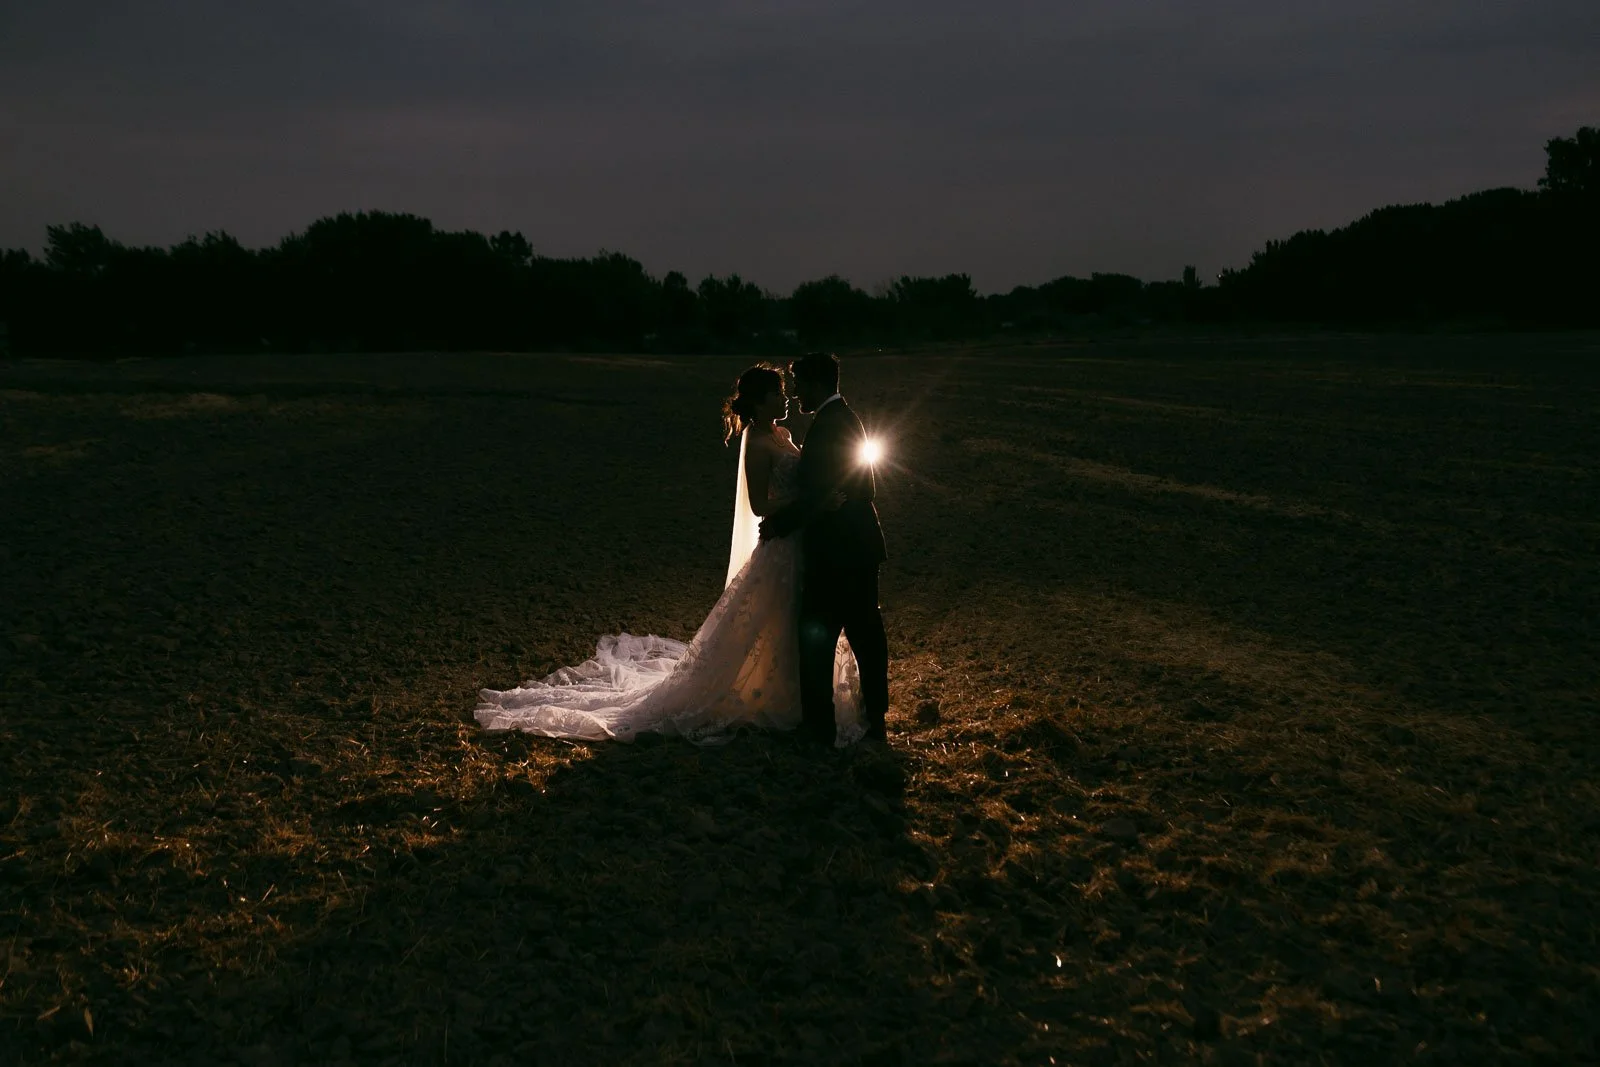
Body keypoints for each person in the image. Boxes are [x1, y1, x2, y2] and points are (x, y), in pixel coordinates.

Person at [474, 363, 865, 745]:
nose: (787, 397)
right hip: (780, 545)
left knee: (792, 619)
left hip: (798, 539)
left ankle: (799, 697)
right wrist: (810, 501)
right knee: (777, 619)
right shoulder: (757, 442)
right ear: (761, 401)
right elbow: (760, 504)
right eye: (778, 393)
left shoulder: (782, 434)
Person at [760, 352, 890, 746]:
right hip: (853, 547)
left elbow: (849, 488)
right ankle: (870, 723)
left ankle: (822, 728)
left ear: (817, 383)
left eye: (800, 384)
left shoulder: (834, 423)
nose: (796, 392)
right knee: (862, 634)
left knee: (820, 636)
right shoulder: (839, 418)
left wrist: (783, 522)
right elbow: (843, 488)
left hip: (839, 550)